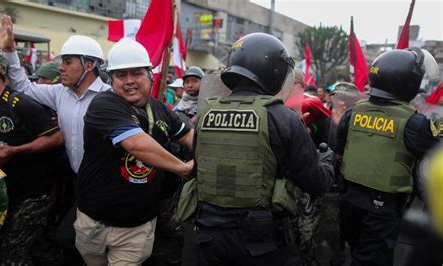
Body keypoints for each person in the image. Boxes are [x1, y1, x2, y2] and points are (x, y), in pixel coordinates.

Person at [180, 32, 335, 266]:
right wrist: (325, 162)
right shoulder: (284, 118)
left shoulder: (205, 114)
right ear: (275, 71)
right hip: (261, 242)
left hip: (208, 236)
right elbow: (314, 182)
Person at [0, 14, 111, 265]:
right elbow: (23, 88)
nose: (60, 68)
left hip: (106, 187)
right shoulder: (60, 93)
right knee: (72, 241)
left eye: (68, 62)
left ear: (89, 64)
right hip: (77, 183)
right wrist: (9, 52)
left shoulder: (111, 98)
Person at [74, 37, 194, 265]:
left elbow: (189, 137)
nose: (129, 81)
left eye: (136, 73)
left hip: (137, 228)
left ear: (150, 74)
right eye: (121, 75)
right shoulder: (103, 104)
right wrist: (183, 167)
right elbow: (136, 144)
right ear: (112, 79)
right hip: (94, 223)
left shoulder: (161, 109)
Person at [336, 47, 440, 265]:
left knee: (357, 253)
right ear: (409, 84)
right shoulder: (414, 123)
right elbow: (435, 155)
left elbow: (340, 149)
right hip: (382, 210)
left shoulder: (353, 112)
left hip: (348, 202)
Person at [0, 47, 63, 265]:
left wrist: (15, 151)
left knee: (12, 256)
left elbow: (57, 138)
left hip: (34, 195)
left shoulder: (21, 104)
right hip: (5, 194)